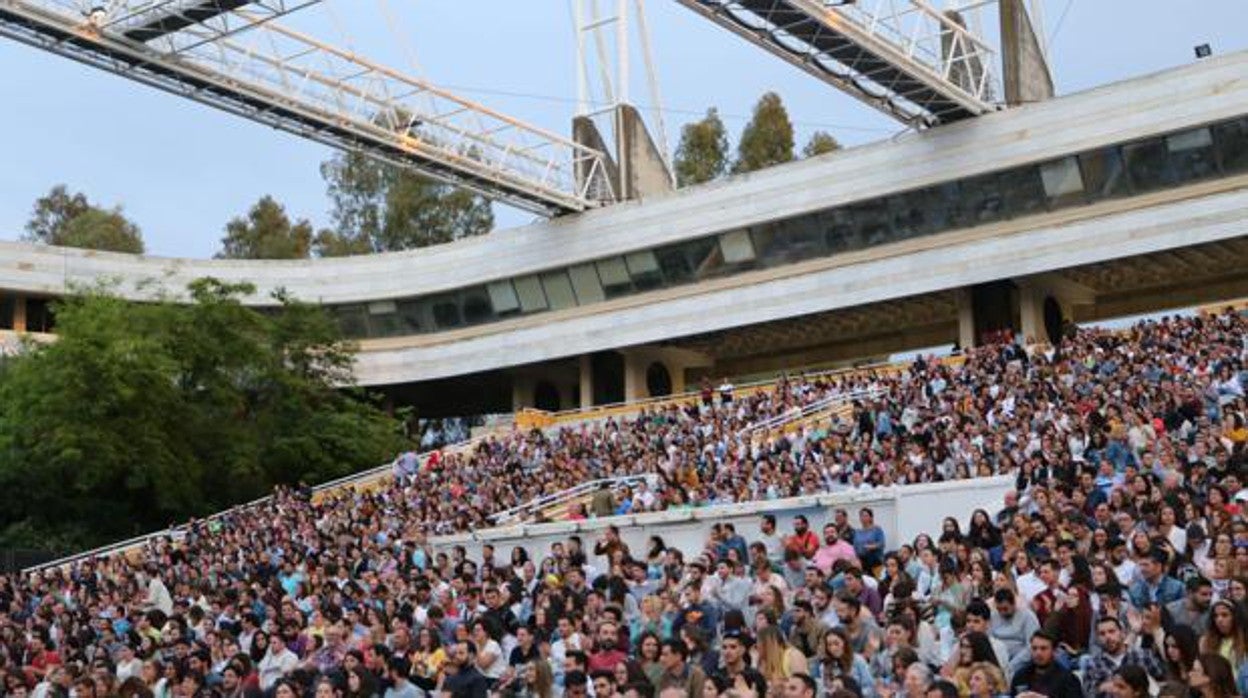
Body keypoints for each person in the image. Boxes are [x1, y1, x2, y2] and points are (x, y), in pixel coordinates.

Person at [1081, 617, 1164, 698]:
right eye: (1102, 634)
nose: (1107, 637)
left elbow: (1162, 681)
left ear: (1122, 633)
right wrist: (1101, 688)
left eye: (1112, 631)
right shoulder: (1093, 664)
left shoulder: (1143, 655)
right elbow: (1088, 693)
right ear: (1098, 638)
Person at [1008, 632, 1081, 698]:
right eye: (1034, 648)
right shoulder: (1021, 675)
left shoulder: (1068, 679)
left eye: (1043, 648)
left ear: (1054, 651)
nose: (1038, 653)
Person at [818, 628, 875, 698]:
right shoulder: (824, 666)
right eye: (829, 645)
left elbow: (870, 688)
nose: (833, 648)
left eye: (836, 644)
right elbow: (825, 690)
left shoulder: (858, 660)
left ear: (844, 642)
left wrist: (855, 693)